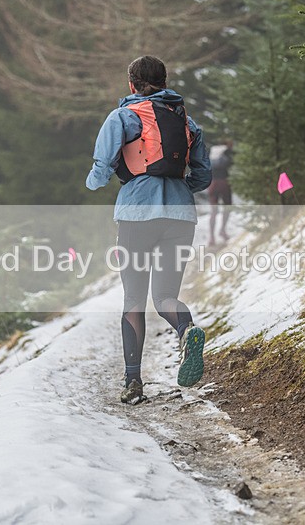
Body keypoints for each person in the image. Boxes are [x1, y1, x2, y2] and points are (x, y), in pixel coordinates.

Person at [86, 55, 212, 405]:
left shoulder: (123, 116)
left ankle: (132, 382)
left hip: (136, 214)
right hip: (181, 214)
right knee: (165, 297)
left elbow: (100, 170)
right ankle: (187, 329)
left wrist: (96, 181)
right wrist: (180, 184)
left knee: (134, 302)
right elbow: (203, 177)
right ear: (165, 81)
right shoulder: (187, 121)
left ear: (131, 84)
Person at [207, 139, 233, 246]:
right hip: (223, 183)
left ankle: (212, 237)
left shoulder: (212, 152)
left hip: (212, 184)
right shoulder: (226, 152)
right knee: (227, 207)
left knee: (214, 211)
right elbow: (230, 163)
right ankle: (222, 230)